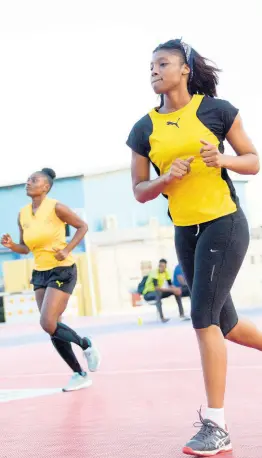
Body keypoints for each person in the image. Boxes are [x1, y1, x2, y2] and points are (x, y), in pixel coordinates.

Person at [126, 38, 261, 456]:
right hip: (186, 230)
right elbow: (139, 190)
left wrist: (222, 161)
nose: (153, 71)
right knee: (230, 326)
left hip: (224, 222)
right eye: (150, 66)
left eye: (162, 64)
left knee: (203, 318)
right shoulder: (144, 128)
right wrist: (166, 179)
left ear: (184, 68)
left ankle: (216, 426)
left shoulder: (217, 111)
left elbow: (253, 161)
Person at [1, 168, 100, 392]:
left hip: (62, 269)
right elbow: (25, 248)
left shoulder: (56, 207)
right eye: (27, 179)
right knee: (52, 327)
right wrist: (11, 246)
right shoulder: (23, 214)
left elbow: (82, 226)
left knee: (47, 322)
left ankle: (86, 344)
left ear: (45, 187)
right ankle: (79, 373)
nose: (28, 182)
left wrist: (67, 249)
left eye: (33, 180)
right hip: (40, 272)